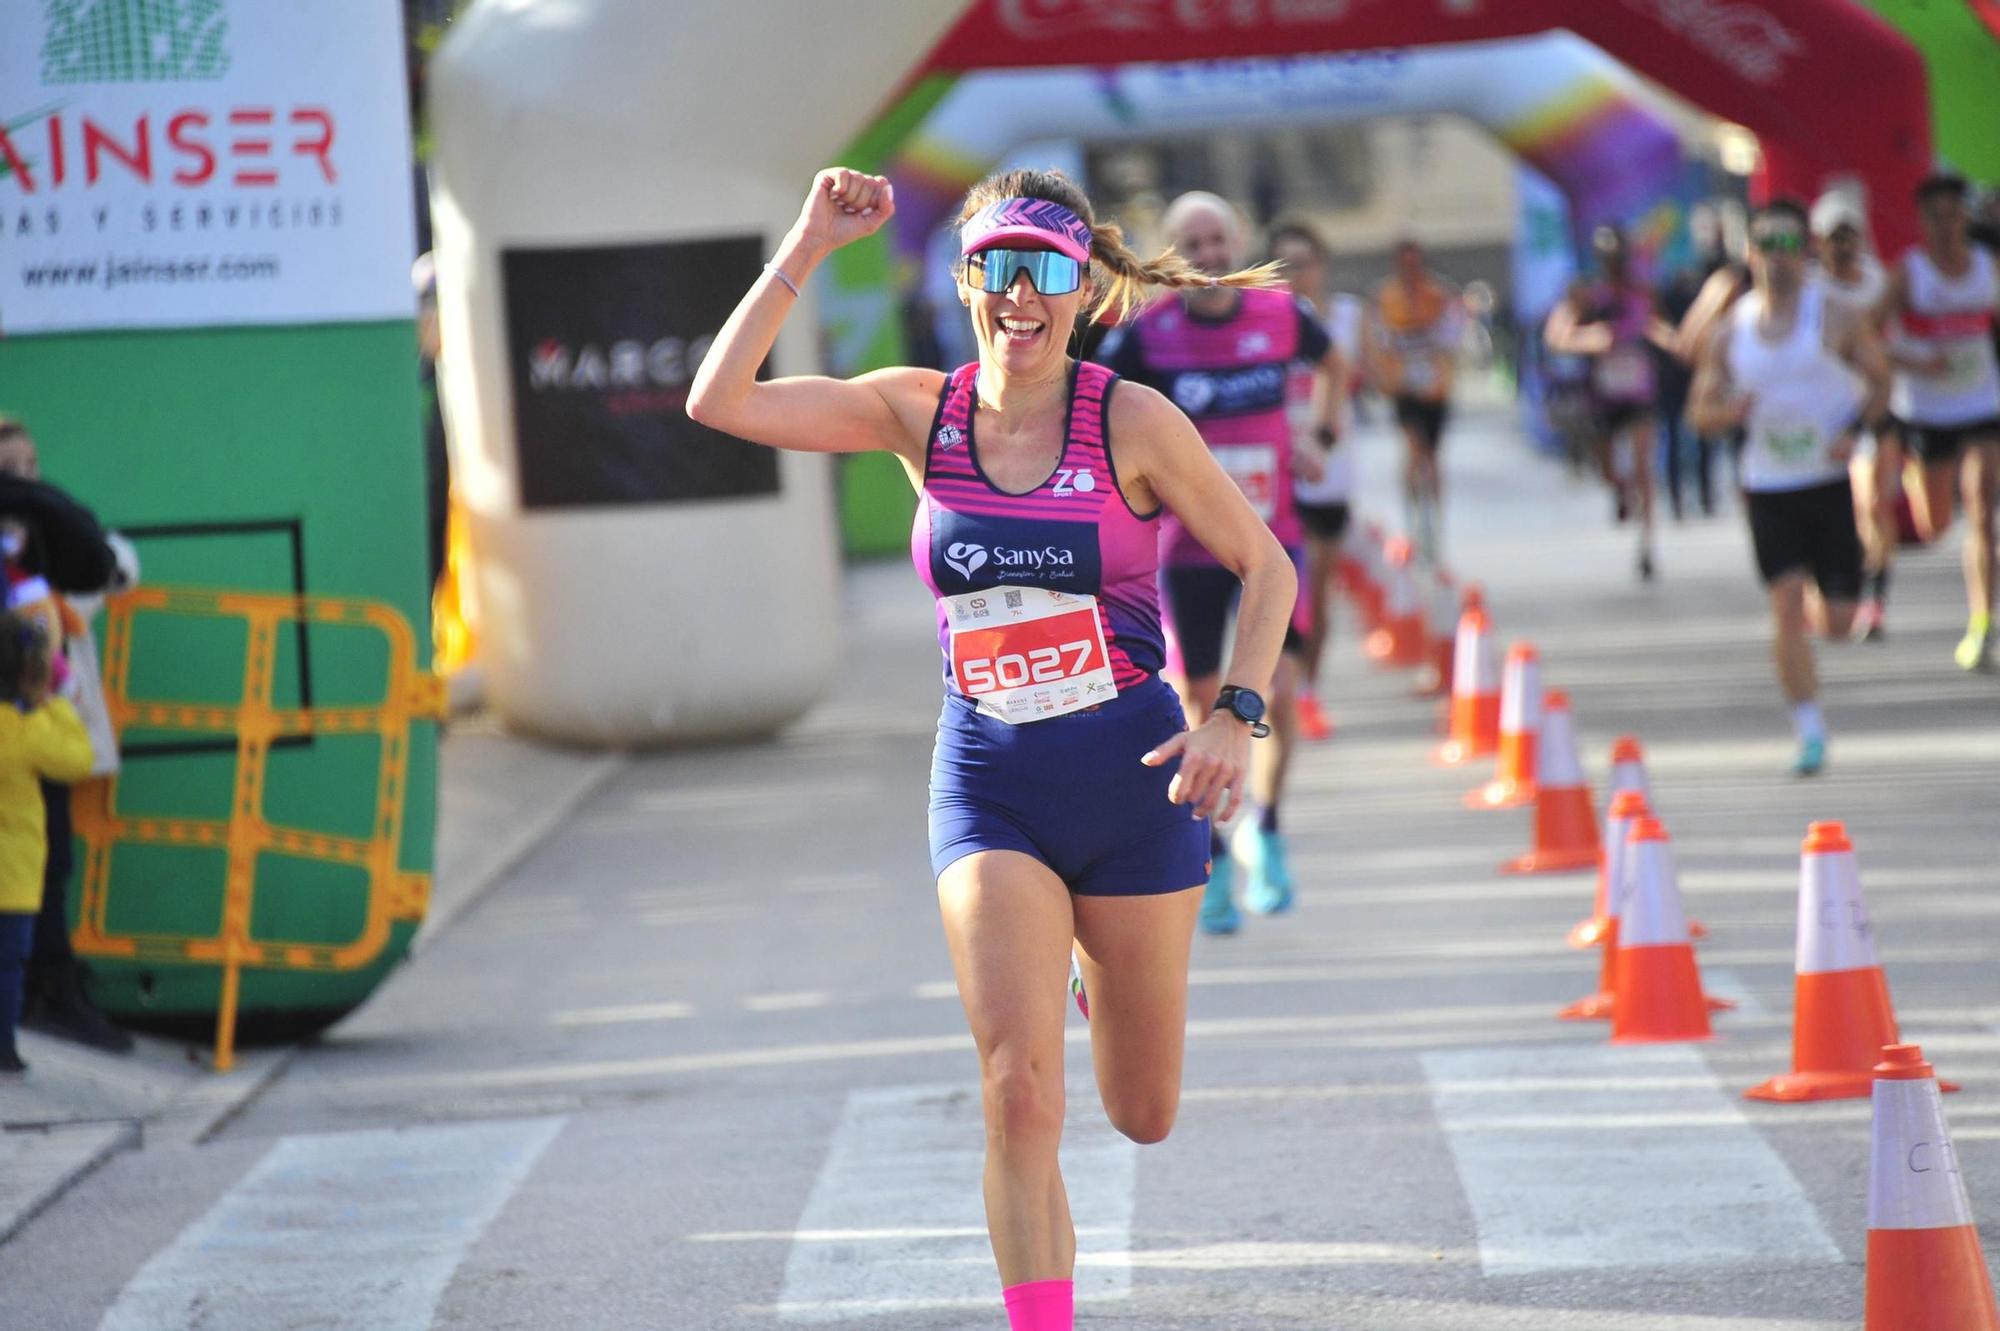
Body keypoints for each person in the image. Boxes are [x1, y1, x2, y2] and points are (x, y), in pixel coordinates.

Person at [688, 167, 1295, 1331]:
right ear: (967, 281)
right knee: (1017, 1092)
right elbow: (720, 400)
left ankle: (1084, 963)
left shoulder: (1132, 420)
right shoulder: (917, 412)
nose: (1020, 293)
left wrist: (1237, 711)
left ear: (1082, 286)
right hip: (988, 775)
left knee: (1141, 1109)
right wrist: (807, 242)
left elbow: (1265, 566)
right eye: (997, 266)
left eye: (1045, 269)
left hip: (1129, 775)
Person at [1094, 191, 1342, 933]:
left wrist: (1319, 432)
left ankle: (1265, 829)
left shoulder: (1280, 314)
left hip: (1274, 540)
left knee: (1278, 691)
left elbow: (1335, 364)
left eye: (1217, 240)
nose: (1208, 256)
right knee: (1204, 707)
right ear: (1171, 256)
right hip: (1187, 551)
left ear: (1237, 244)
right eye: (1191, 244)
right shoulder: (1147, 334)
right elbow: (1096, 407)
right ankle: (1209, 854)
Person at [1688, 199, 1890, 776]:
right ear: (1750, 255)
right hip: (1769, 486)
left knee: (1840, 622)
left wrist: (1855, 429)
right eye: (1766, 246)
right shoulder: (1731, 332)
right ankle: (1809, 730)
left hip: (1826, 480)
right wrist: (1729, 410)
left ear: (1805, 253)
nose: (1778, 259)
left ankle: (1828, 619)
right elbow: (1698, 412)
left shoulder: (1836, 318)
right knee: (1784, 606)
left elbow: (1881, 381)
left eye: (1788, 246)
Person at [0, 417, 133, 1053]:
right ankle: (42, 990)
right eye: (12, 470)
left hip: (35, 714)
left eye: (30, 467)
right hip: (28, 716)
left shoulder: (38, 533)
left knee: (47, 853)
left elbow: (103, 564)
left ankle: (47, 984)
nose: (26, 481)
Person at [1881, 173, 2000, 671]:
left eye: (1954, 215)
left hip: (1982, 403)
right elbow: (1870, 335)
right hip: (1928, 410)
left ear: (1964, 218)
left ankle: (1982, 624)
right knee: (1934, 526)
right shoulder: (1908, 274)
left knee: (1983, 511)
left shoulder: (1987, 268)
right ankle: (1916, 473)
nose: (1947, 226)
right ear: (1923, 222)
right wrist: (1914, 362)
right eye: (1937, 217)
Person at [1545, 226, 1677, 580]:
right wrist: (1592, 340)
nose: (1615, 267)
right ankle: (1620, 489)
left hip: (1638, 393)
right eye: (1609, 261)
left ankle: (1647, 546)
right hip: (1602, 395)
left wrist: (1674, 344)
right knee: (1606, 470)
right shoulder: (1589, 294)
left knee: (1643, 465)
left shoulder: (1642, 294)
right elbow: (1558, 336)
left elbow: (1662, 331)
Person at [1268, 218, 1355, 743]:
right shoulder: (1263, 320)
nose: (1295, 275)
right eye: (1283, 266)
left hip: (1328, 472)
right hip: (1271, 477)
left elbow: (1358, 375)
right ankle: (1284, 686)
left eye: (1303, 264)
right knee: (1280, 589)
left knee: (1318, 591)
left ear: (1320, 267)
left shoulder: (1346, 317)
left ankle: (1308, 690)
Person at [0, 611, 97, 1073]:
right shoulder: (27, 733)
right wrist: (54, 701)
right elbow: (79, 758)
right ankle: (3, 1048)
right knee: (8, 965)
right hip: (14, 878)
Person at [1810, 193, 1895, 640]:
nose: (1843, 246)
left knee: (1873, 505)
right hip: (1823, 414)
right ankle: (1821, 591)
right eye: (1833, 237)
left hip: (1873, 407)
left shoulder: (1879, 283)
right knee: (1828, 508)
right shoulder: (1809, 292)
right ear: (1818, 242)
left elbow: (1894, 343)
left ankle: (1875, 600)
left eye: (1850, 236)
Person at [1367, 239, 1459, 563]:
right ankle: (1412, 522)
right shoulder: (1386, 297)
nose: (1409, 270)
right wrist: (1383, 378)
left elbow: (1451, 338)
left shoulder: (1439, 294)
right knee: (1411, 449)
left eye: (1414, 263)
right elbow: (1378, 341)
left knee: (1432, 457)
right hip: (1403, 388)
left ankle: (1434, 524)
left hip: (1434, 389)